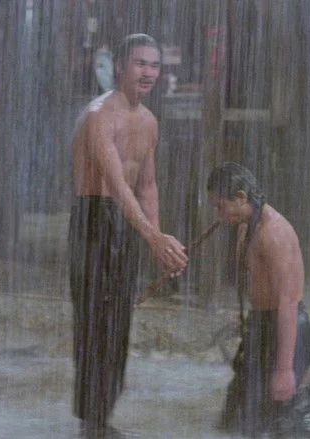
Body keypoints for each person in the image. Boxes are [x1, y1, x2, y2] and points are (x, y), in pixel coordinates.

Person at [68, 33, 189, 436]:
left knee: (119, 320)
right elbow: (117, 185)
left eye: (154, 65)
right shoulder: (100, 114)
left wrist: (158, 242)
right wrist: (153, 237)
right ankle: (90, 421)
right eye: (140, 63)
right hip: (94, 218)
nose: (148, 72)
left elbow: (147, 186)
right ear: (120, 65)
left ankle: (101, 416)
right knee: (94, 320)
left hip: (128, 221)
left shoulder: (149, 121)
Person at [206, 162, 310, 437]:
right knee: (235, 420)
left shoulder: (274, 233)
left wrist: (284, 369)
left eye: (221, 206)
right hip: (261, 325)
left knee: (269, 424)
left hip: (286, 327)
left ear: (241, 197)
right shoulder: (247, 227)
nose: (219, 215)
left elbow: (288, 303)